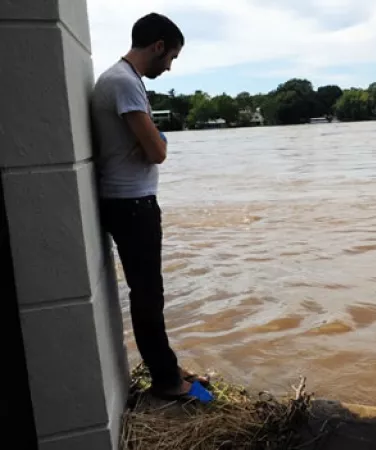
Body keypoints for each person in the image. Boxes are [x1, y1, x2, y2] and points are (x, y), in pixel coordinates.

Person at [91, 12, 212, 403]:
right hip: (131, 204)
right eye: (172, 56)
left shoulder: (121, 80)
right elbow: (157, 152)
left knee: (149, 292)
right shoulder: (124, 83)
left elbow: (149, 144)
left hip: (129, 201)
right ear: (158, 46)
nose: (171, 66)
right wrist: (159, 141)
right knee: (147, 294)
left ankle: (167, 367)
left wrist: (153, 140)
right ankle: (166, 381)